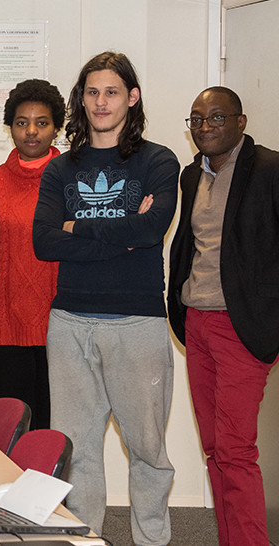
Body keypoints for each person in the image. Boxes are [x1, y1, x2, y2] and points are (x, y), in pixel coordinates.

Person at [32, 51, 178, 543]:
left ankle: (151, 539)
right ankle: (84, 539)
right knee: (79, 452)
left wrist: (78, 226)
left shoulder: (158, 160)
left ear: (132, 97)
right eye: (92, 92)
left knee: (148, 451)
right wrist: (122, 231)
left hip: (137, 324)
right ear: (81, 99)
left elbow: (153, 227)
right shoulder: (60, 169)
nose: (101, 101)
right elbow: (45, 241)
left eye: (112, 91)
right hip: (70, 322)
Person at [169, 86, 279, 546]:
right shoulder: (192, 175)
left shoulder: (271, 170)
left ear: (241, 122)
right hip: (197, 324)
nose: (205, 127)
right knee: (215, 449)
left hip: (244, 328)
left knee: (236, 451)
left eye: (216, 118)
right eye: (196, 119)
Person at [0, 79, 64, 431]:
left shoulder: (71, 182)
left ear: (56, 127)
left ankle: (53, 491)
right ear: (9, 126)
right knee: (11, 433)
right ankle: (12, 490)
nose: (31, 131)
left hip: (61, 329)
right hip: (2, 331)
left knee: (52, 432)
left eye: (42, 122)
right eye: (21, 122)